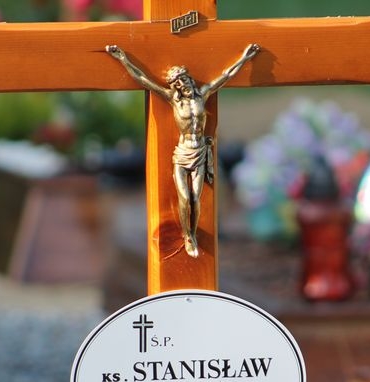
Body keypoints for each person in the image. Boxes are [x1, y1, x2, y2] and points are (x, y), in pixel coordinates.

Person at [106, 43, 260, 257]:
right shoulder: (173, 100)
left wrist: (245, 57)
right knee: (185, 198)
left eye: (184, 80)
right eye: (178, 83)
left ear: (189, 79)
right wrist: (123, 59)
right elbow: (143, 79)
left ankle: (192, 234)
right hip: (182, 153)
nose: (182, 84)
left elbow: (226, 75)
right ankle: (187, 235)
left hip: (200, 152)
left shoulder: (202, 94)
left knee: (196, 198)